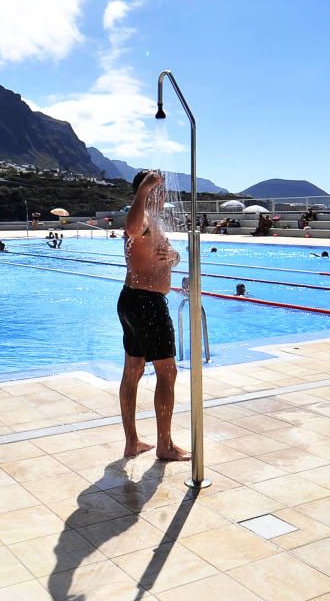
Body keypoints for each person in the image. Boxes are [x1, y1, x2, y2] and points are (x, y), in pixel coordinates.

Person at [118, 170, 189, 461]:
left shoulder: (155, 222)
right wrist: (144, 190)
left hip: (133, 300)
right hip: (147, 303)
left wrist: (175, 257)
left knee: (133, 370)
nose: (163, 196)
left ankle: (132, 442)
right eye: (157, 191)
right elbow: (132, 227)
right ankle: (165, 445)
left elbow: (171, 254)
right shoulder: (143, 218)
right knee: (167, 372)